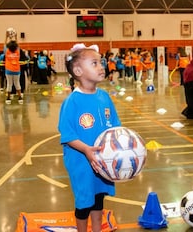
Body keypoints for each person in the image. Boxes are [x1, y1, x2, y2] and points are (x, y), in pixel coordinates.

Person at [58, 43, 121, 232]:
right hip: (82, 162)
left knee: (99, 197)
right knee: (85, 202)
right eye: (94, 63)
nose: (101, 67)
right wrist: (86, 149)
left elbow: (115, 126)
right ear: (78, 70)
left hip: (103, 159)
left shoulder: (104, 96)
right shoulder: (72, 102)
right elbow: (67, 135)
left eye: (100, 62)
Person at [4, 40, 23, 104]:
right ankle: (20, 97)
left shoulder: (7, 51)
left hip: (9, 70)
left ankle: (8, 98)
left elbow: (5, 45)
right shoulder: (18, 52)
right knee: (17, 83)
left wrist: (6, 37)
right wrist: (16, 37)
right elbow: (18, 45)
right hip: (16, 70)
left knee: (9, 84)